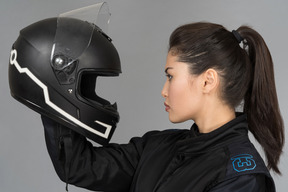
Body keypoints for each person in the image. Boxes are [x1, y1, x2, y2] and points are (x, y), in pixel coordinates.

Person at [11, 19, 284, 191]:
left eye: (170, 76)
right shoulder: (159, 147)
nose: (164, 91)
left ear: (207, 81)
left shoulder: (241, 178)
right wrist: (55, 89)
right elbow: (79, 167)